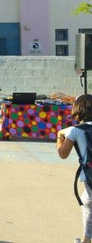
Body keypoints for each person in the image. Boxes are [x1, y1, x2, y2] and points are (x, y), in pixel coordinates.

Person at [57, 94, 92, 243]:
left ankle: (86, 239)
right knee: (87, 201)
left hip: (90, 175)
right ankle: (86, 237)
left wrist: (59, 136)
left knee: (88, 201)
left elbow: (62, 154)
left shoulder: (75, 131)